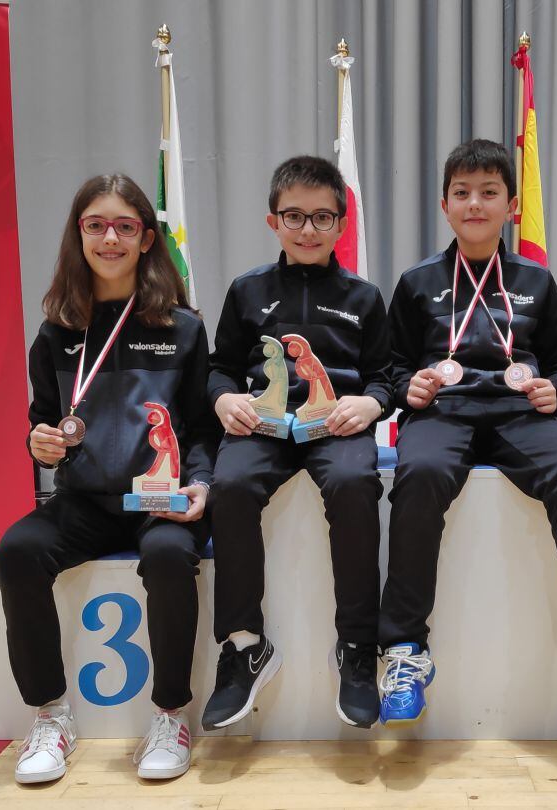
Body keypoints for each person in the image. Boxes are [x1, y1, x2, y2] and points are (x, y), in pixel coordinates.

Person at [377, 138, 557, 726]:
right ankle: (404, 650)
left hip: (521, 413)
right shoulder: (417, 281)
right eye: (462, 193)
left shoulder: (536, 280)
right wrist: (409, 388)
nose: (475, 203)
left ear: (511, 205)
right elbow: (392, 365)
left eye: (489, 193)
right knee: (419, 473)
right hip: (443, 413)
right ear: (444, 205)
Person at [0, 174, 220, 783]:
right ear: (79, 236)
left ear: (147, 238)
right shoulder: (57, 330)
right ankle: (49, 714)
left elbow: (203, 426)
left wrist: (199, 485)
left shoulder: (184, 327)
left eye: (124, 226)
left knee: (171, 558)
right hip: (86, 499)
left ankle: (171, 714)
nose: (110, 237)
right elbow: (46, 425)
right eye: (96, 225)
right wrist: (40, 446)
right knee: (17, 551)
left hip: (159, 500)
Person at [202, 155, 392, 731]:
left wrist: (372, 403)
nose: (307, 229)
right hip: (263, 428)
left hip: (335, 427)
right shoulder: (247, 290)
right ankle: (243, 646)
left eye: (321, 218)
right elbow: (219, 368)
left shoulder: (364, 295)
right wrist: (224, 399)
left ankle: (358, 648)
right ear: (273, 221)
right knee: (229, 486)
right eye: (294, 216)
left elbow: (387, 375)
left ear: (340, 224)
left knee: (357, 483)